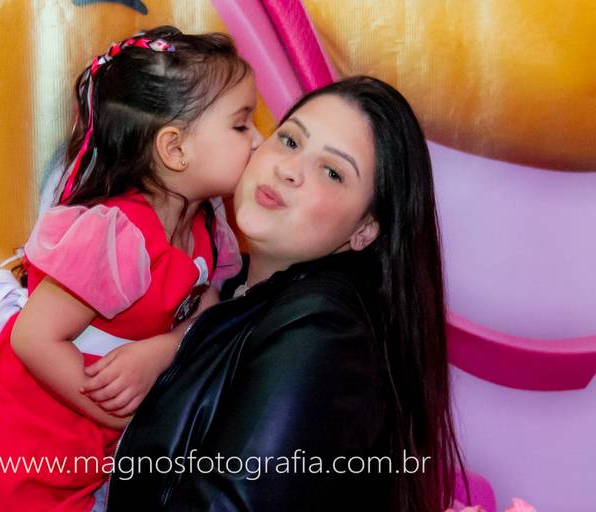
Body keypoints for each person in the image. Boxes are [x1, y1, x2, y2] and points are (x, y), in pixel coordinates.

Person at [0, 26, 262, 512]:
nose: (259, 141)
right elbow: (33, 338)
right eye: (241, 125)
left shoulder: (205, 225)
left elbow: (205, 306)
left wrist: (164, 349)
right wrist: (115, 415)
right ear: (174, 148)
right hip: (12, 441)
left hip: (78, 449)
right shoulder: (117, 236)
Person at [103, 76, 464, 512]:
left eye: (332, 172)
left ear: (365, 230)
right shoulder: (229, 289)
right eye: (290, 141)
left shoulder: (323, 329)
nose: (289, 169)